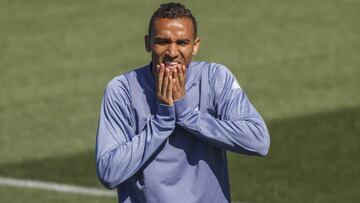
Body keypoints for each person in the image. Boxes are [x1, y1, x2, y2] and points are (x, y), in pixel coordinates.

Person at [96, 2, 270, 203]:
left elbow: (258, 141)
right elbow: (108, 172)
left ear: (195, 45)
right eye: (162, 42)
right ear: (147, 43)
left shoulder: (214, 79)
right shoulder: (122, 90)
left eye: (182, 43)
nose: (172, 52)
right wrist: (161, 123)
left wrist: (188, 116)